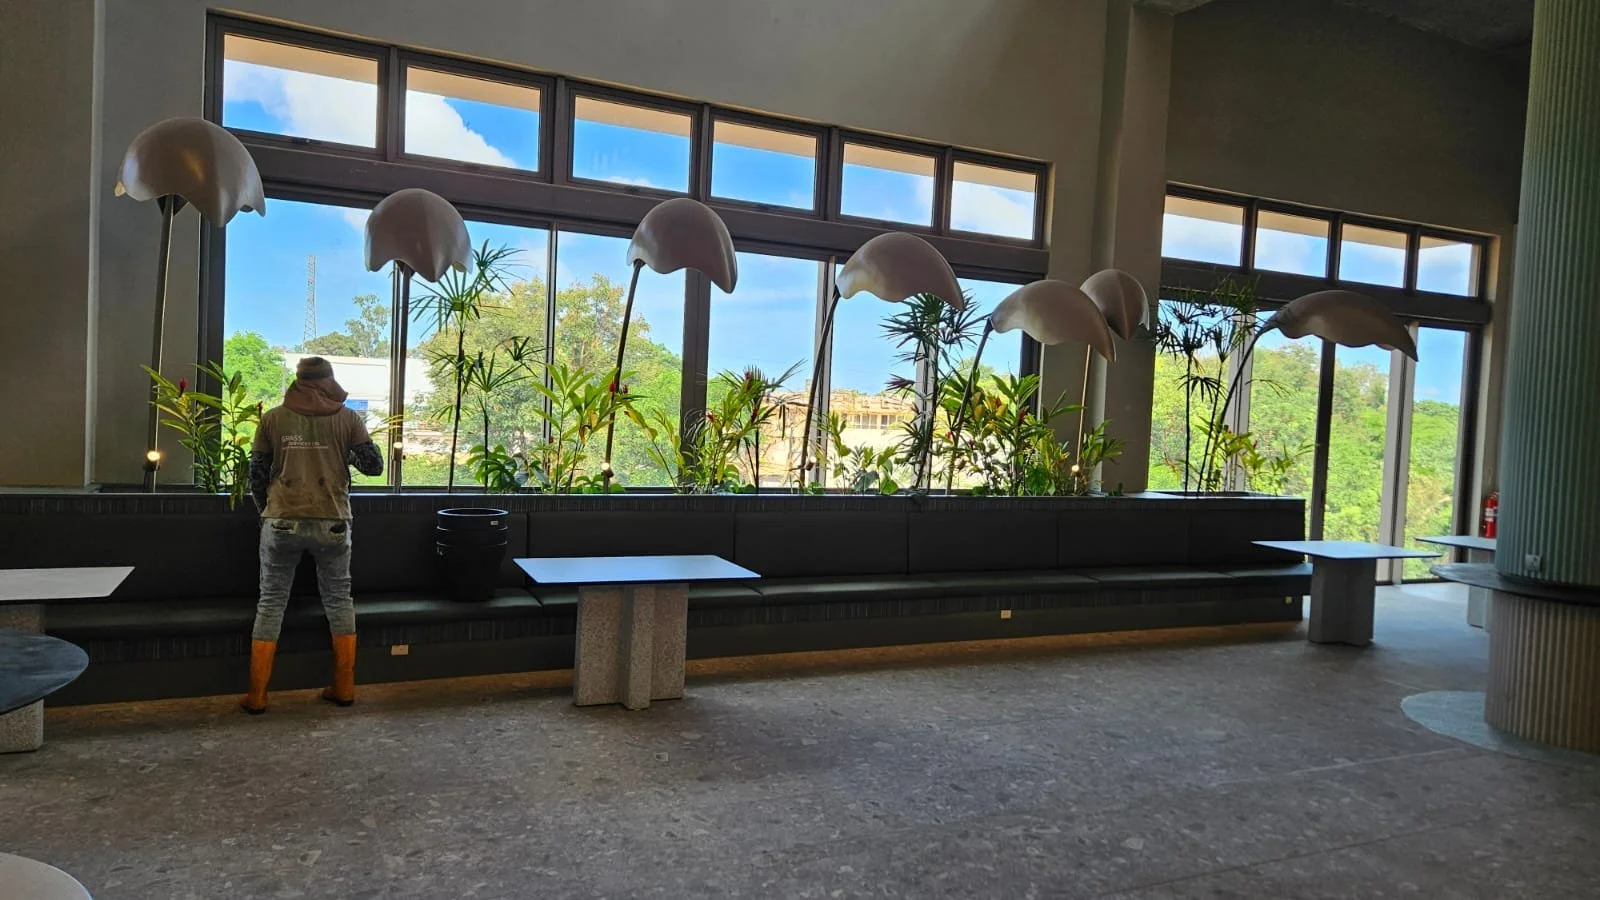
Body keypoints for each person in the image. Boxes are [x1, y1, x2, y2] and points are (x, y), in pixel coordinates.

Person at [242, 357, 384, 714]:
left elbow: (257, 474)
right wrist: (342, 448)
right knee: (339, 600)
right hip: (333, 520)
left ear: (298, 381)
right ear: (329, 383)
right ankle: (345, 687)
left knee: (271, 602)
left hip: (281, 519)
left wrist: (266, 512)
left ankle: (257, 695)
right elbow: (374, 466)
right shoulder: (348, 418)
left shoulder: (272, 418)